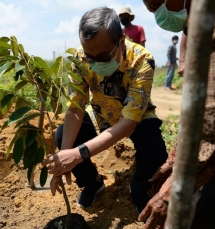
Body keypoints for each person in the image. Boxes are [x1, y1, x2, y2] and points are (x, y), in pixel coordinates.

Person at [140, 0, 215, 228]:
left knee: (204, 199)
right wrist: (175, 158)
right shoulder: (197, 18)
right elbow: (201, 106)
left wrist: (172, 192)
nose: (154, 13)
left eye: (155, 5)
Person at [42, 6, 168, 214]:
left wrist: (78, 153)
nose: (93, 63)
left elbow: (128, 123)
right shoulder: (80, 61)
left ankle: (138, 188)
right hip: (100, 112)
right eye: (89, 57)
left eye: (102, 57)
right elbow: (76, 107)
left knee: (154, 150)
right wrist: (65, 156)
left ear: (121, 42)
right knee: (64, 134)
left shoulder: (141, 61)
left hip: (136, 118)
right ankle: (92, 183)